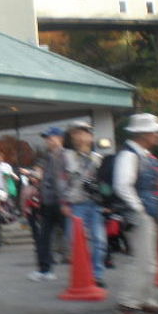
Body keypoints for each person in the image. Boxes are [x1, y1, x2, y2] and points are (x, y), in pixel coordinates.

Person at [113, 113, 158, 314]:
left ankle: (147, 300)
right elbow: (122, 185)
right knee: (141, 260)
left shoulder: (141, 154)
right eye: (156, 131)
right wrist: (139, 208)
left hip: (146, 212)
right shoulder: (130, 155)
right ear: (143, 134)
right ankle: (128, 303)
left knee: (149, 260)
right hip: (140, 214)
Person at [60, 121, 107, 287]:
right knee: (75, 240)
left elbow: (105, 183)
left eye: (83, 133)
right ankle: (82, 273)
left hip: (95, 203)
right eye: (75, 134)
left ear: (90, 136)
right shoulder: (66, 157)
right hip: (75, 203)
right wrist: (63, 203)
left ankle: (97, 274)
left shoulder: (98, 159)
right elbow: (62, 182)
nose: (79, 137)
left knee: (99, 239)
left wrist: (108, 201)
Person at [29, 126, 66, 281]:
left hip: (59, 202)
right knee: (44, 237)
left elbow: (60, 181)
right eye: (46, 138)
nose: (47, 141)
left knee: (69, 236)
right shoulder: (50, 156)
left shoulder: (62, 156)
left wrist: (63, 201)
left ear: (59, 138)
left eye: (50, 138)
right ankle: (45, 270)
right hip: (50, 202)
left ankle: (46, 270)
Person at [19, 168, 42, 251]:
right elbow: (22, 199)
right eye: (31, 177)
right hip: (30, 210)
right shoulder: (26, 187)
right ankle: (37, 243)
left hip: (40, 209)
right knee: (34, 228)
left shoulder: (41, 186)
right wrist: (23, 210)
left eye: (34, 177)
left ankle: (42, 243)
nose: (32, 178)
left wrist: (29, 172)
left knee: (40, 227)